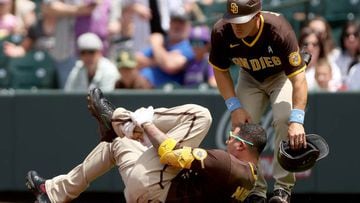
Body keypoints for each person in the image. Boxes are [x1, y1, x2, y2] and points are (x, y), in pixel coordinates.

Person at [26, 88, 267, 203]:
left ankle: (118, 119)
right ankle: (52, 193)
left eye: (232, 137)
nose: (227, 141)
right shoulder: (250, 183)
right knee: (117, 143)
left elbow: (170, 154)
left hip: (156, 187)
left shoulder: (227, 164)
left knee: (200, 115)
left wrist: (146, 125)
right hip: (150, 194)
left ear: (242, 146)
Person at [208, 0, 308, 202]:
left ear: (256, 16)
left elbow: (299, 79)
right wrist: (234, 107)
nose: (235, 25)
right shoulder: (221, 31)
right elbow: (220, 70)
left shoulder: (278, 29)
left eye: (241, 20)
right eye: (232, 19)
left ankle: (283, 189)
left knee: (284, 119)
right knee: (244, 131)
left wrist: (297, 120)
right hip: (249, 77)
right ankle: (254, 189)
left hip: (280, 77)